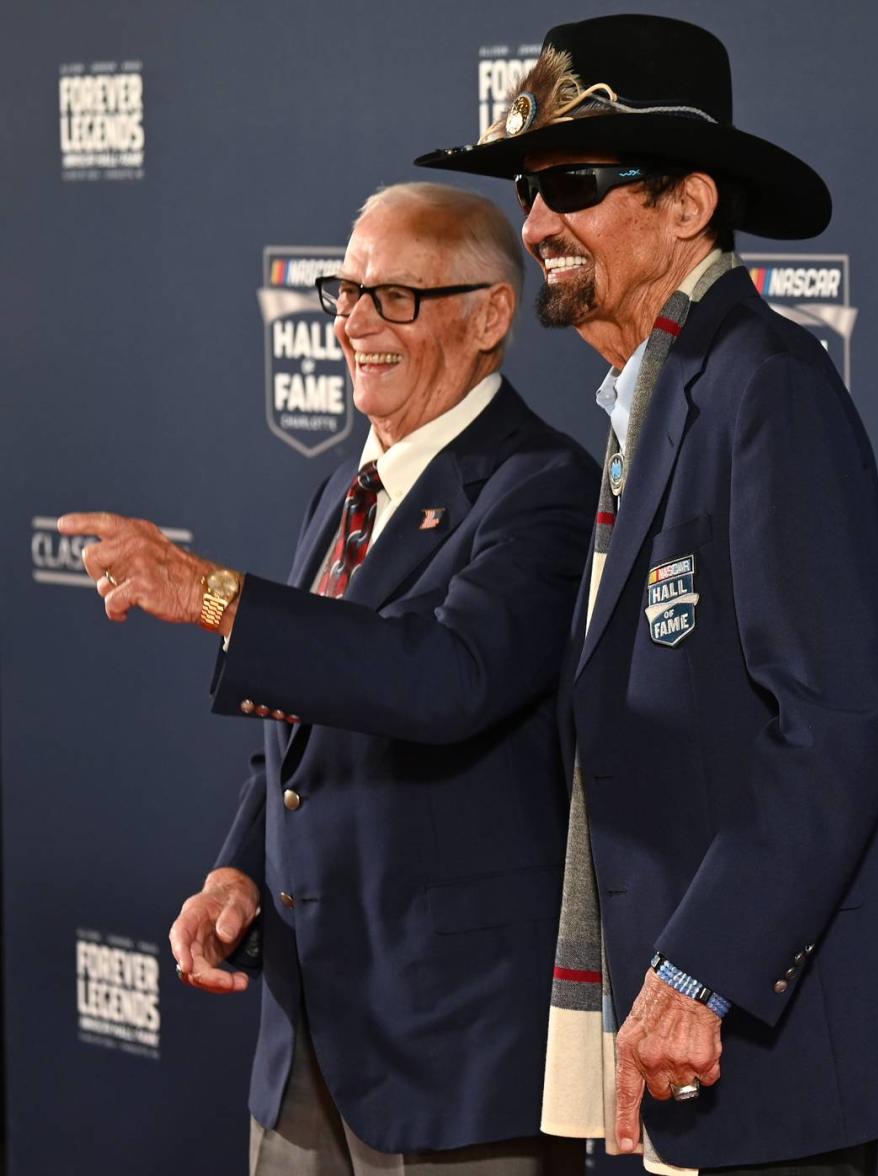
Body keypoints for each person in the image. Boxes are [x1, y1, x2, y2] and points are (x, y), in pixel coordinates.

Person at [415, 14, 878, 1176]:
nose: (535, 225)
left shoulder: (763, 387)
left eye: (572, 183)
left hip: (762, 1034)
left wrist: (700, 969)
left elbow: (838, 722)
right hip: (686, 1030)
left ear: (687, 204)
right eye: (528, 190)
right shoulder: (653, 395)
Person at [59, 181, 596, 1175]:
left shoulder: (545, 486)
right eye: (344, 292)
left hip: (454, 1055)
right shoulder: (345, 490)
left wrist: (212, 593)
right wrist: (237, 870)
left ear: (489, 314)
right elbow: (305, 727)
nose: (351, 323)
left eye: (394, 296)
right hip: (305, 1035)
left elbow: (444, 678)